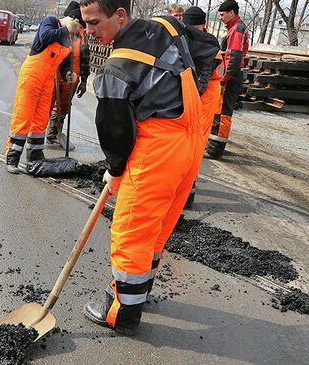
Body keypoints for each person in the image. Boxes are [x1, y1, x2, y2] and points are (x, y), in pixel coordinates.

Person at [80, 0, 216, 335]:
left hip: (157, 148)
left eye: (95, 23)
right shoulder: (167, 26)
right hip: (190, 141)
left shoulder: (117, 67)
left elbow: (116, 131)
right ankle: (140, 291)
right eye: (85, 24)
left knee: (132, 230)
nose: (89, 32)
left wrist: (114, 169)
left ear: (120, 15)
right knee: (157, 228)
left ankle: (122, 312)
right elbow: (210, 48)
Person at [4, 8, 83, 174]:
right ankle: (12, 158)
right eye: (80, 26)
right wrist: (66, 29)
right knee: (23, 116)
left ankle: (35, 157)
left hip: (48, 82)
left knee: (40, 120)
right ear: (74, 20)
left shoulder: (70, 38)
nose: (80, 31)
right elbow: (45, 37)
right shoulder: (51, 22)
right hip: (32, 76)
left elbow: (65, 63)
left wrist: (69, 74)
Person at [182, 6, 223, 208]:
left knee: (195, 144)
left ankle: (188, 193)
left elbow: (203, 79)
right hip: (196, 94)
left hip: (204, 97)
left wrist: (190, 98)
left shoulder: (208, 43)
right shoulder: (189, 37)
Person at [206, 0, 249, 159]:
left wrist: (224, 79)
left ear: (232, 12)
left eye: (223, 15)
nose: (221, 18)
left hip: (231, 75)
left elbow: (234, 56)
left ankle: (215, 148)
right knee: (221, 109)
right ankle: (213, 144)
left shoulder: (237, 29)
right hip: (233, 74)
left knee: (222, 111)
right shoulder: (235, 28)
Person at [45, 5, 91, 150]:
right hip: (53, 76)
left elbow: (85, 60)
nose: (80, 28)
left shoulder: (83, 38)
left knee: (63, 107)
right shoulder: (59, 32)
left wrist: (84, 81)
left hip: (72, 79)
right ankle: (36, 135)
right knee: (45, 106)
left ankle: (53, 134)